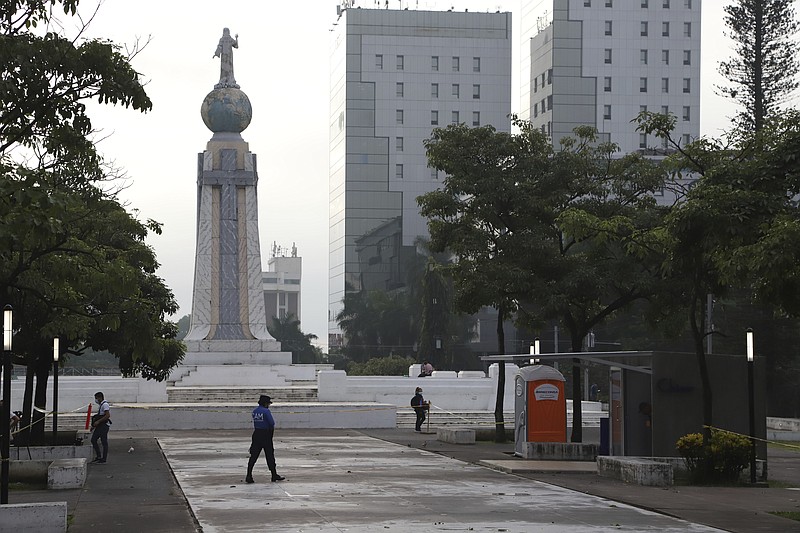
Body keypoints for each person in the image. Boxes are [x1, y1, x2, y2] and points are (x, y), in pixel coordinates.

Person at [246, 395, 284, 483]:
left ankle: (249, 475)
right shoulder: (266, 411)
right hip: (266, 435)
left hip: (256, 434)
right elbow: (271, 423)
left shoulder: (255, 411)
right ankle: (274, 475)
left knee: (253, 455)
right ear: (265, 403)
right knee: (270, 455)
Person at [90, 391, 111, 464]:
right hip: (100, 425)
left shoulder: (105, 405)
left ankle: (103, 458)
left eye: (96, 398)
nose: (96, 400)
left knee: (103, 442)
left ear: (100, 397)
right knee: (93, 440)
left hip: (103, 426)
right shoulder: (101, 405)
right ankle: (99, 456)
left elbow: (107, 415)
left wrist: (98, 421)